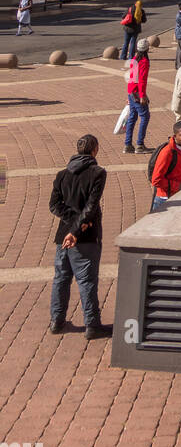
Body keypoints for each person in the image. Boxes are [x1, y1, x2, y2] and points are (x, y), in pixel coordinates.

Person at [49, 134, 110, 339]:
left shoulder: (62, 175)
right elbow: (91, 207)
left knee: (61, 278)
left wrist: (70, 223)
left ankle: (57, 321)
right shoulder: (98, 173)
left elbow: (54, 206)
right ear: (95, 150)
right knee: (86, 280)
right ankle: (92, 325)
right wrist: (77, 227)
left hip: (63, 235)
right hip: (85, 235)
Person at [150, 121, 181, 211]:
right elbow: (156, 180)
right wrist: (180, 186)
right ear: (175, 136)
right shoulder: (167, 152)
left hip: (179, 195)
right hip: (165, 200)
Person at [124, 37, 151, 155]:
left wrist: (129, 94)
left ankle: (128, 144)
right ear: (147, 49)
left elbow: (132, 77)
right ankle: (140, 144)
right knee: (145, 116)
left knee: (132, 117)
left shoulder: (134, 59)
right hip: (137, 93)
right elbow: (142, 80)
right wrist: (142, 95)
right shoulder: (144, 61)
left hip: (131, 91)